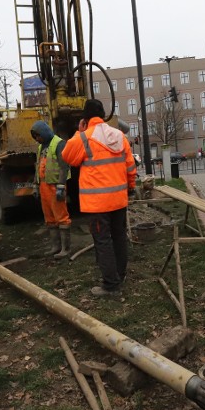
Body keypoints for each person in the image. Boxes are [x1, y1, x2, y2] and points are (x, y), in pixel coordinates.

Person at [62, 99, 137, 296]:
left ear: (85, 119)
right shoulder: (119, 136)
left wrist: (79, 131)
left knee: (103, 241)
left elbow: (67, 156)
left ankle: (111, 286)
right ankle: (120, 275)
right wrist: (130, 187)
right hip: (118, 200)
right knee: (119, 237)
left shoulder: (84, 138)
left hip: (97, 205)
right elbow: (130, 166)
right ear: (104, 115)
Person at [30, 120, 72, 258]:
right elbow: (38, 166)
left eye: (38, 136)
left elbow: (64, 166)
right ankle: (56, 247)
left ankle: (66, 249)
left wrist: (61, 186)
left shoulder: (59, 143)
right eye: (35, 137)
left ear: (44, 132)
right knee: (50, 218)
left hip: (55, 186)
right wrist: (36, 185)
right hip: (44, 186)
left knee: (61, 217)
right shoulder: (40, 147)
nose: (37, 139)